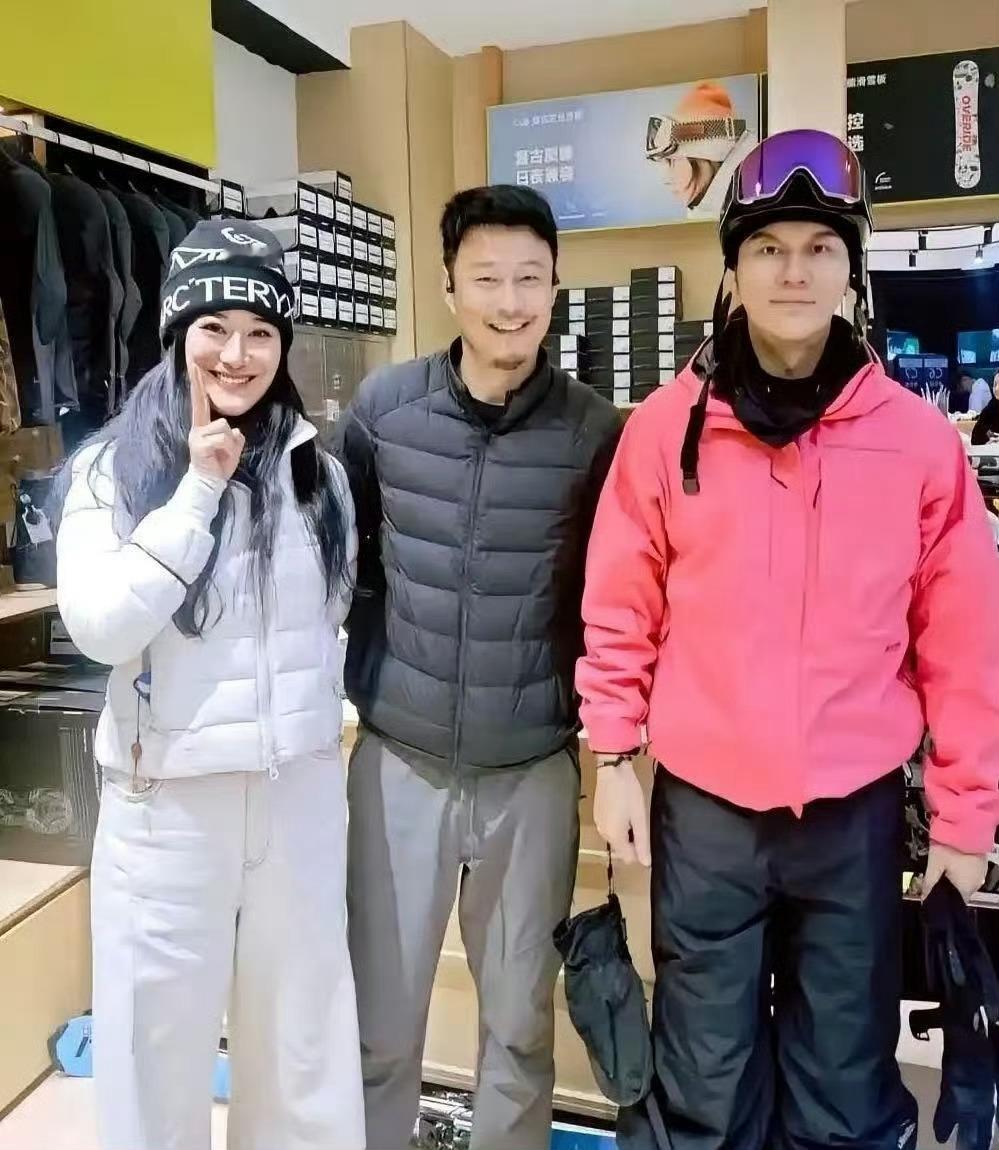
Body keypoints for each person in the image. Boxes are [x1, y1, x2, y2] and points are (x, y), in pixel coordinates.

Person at [576, 129, 999, 1150]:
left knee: (843, 1091)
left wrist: (964, 816)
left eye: (819, 247)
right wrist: (614, 756)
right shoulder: (663, 429)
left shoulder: (917, 442)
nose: (793, 270)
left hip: (852, 813)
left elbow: (962, 643)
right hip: (705, 811)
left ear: (852, 269)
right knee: (705, 1084)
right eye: (768, 247)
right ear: (734, 266)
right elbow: (621, 601)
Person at [54, 220, 364, 1150]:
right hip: (165, 809)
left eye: (261, 332)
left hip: (297, 800)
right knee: (154, 1052)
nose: (237, 354)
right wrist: (196, 492)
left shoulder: (318, 475)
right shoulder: (112, 469)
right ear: (177, 331)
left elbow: (330, 618)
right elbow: (102, 627)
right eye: (215, 328)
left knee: (302, 1054)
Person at [335, 184, 621, 1150]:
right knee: (379, 1027)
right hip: (398, 764)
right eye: (487, 278)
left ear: (555, 288)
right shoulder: (383, 411)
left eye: (530, 279)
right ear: (449, 285)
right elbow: (342, 559)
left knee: (518, 1029)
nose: (510, 302)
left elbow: (611, 594)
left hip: (532, 772)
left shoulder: (594, 433)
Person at [646, 81, 756, 218]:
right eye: (662, 162)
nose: (665, 178)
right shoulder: (705, 209)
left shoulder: (758, 201)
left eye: (672, 160)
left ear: (710, 152)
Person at [971, 370, 999, 444]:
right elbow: (975, 438)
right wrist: (988, 440)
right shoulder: (990, 408)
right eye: (995, 384)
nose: (996, 389)